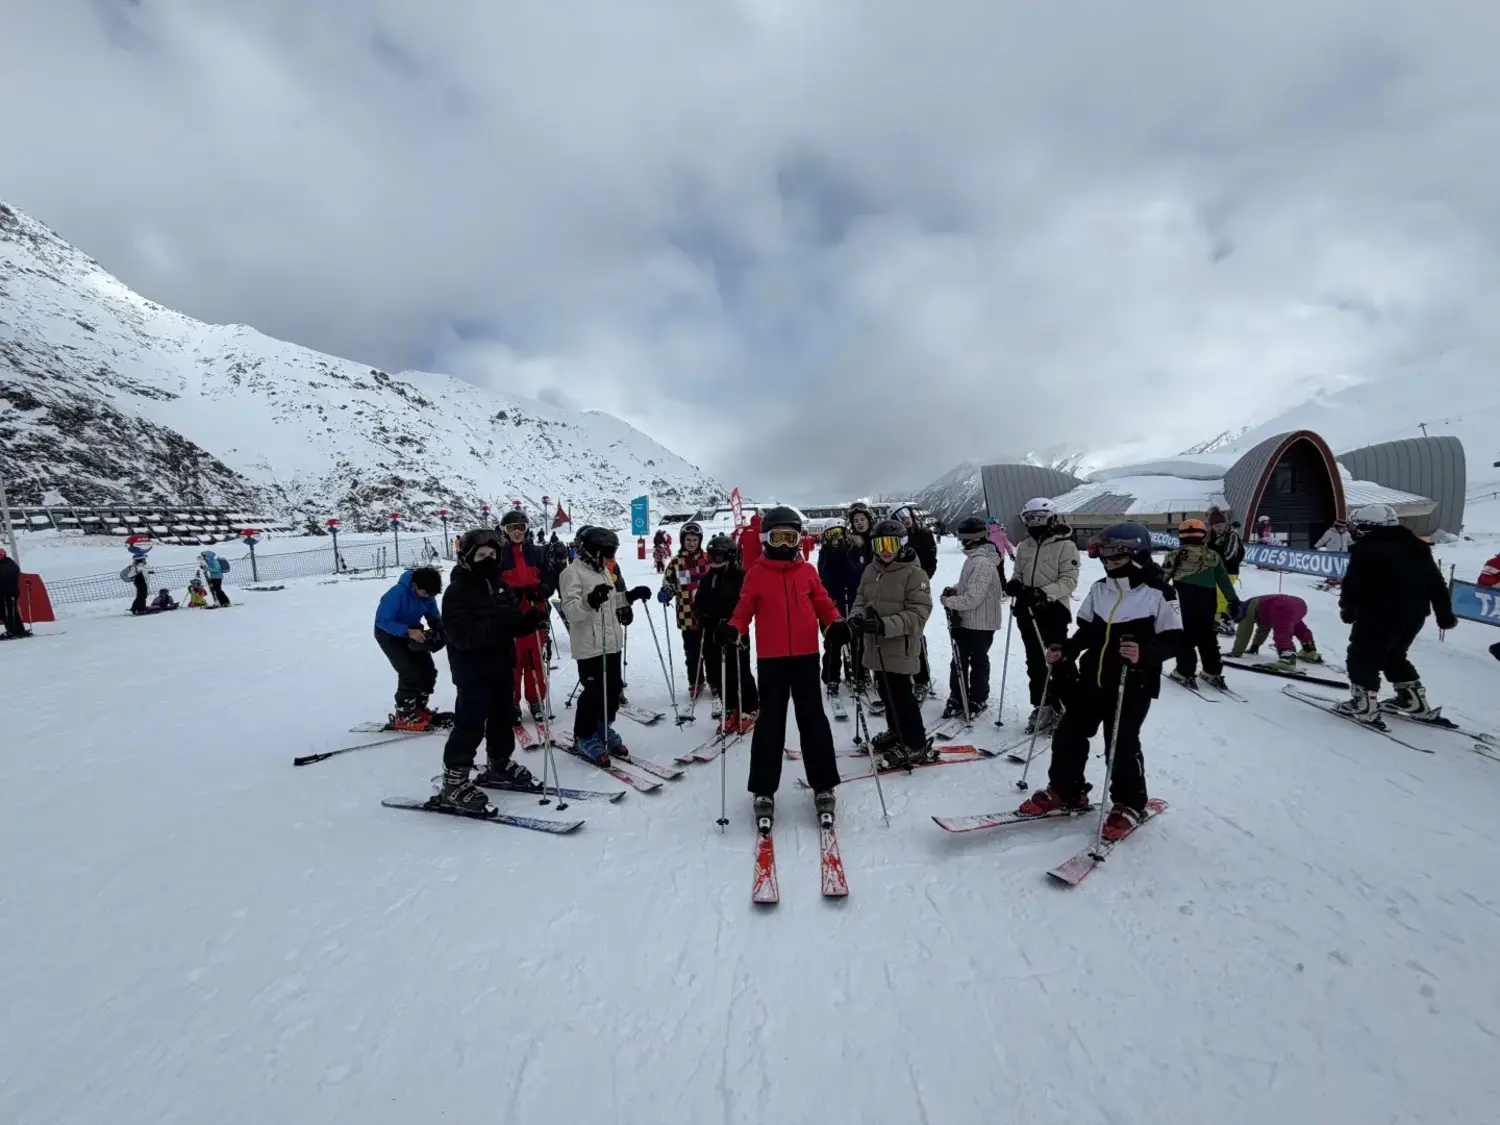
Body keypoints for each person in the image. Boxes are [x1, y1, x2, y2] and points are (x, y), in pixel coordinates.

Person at [1018, 522, 1182, 841]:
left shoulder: (1159, 592)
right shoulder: (1099, 589)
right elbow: (1088, 632)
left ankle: (1129, 804)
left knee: (1120, 744)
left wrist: (1143, 653)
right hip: (1092, 678)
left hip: (1132, 683)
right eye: (1105, 557)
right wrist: (1066, 649)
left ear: (1138, 554)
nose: (1109, 563)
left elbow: (1175, 640)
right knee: (1069, 734)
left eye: (1117, 557)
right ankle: (1066, 790)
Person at [721, 506, 847, 828]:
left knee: (813, 721)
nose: (784, 544)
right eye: (778, 537)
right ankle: (763, 789)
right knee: (770, 725)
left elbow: (823, 602)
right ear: (766, 539)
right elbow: (743, 609)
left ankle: (823, 784)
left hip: (806, 658)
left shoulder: (807, 572)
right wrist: (734, 629)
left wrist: (835, 623)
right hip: (772, 661)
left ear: (798, 540)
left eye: (790, 538)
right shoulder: (756, 574)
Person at [433, 530, 551, 814]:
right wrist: (498, 623)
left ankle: (499, 763)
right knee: (470, 724)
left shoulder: (500, 586)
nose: (487, 560)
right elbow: (461, 636)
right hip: (472, 670)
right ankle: (454, 781)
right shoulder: (457, 592)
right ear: (467, 558)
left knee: (502, 718)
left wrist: (528, 622)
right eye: (481, 555)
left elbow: (512, 622)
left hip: (501, 664)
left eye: (492, 555)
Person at [1335, 503, 1457, 722]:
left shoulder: (1368, 549)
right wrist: (1444, 613)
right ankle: (1412, 700)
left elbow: (1354, 584)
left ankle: (1363, 704)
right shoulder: (1417, 547)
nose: (1355, 531)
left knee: (1362, 656)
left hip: (1378, 613)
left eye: (1357, 526)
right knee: (1393, 655)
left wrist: (1348, 608)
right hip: (1414, 614)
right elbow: (1436, 582)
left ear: (1368, 526)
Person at [559, 526, 652, 762]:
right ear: (592, 551)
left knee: (612, 691)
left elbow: (609, 602)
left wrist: (629, 596)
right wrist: (590, 601)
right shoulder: (571, 573)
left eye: (613, 553)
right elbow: (570, 611)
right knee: (593, 694)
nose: (611, 558)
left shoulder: (602, 572)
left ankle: (601, 728)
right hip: (590, 646)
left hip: (611, 643)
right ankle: (583, 736)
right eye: (607, 553)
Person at [851, 518, 935, 769]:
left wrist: (885, 625)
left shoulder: (914, 573)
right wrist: (857, 617)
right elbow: (860, 598)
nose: (886, 550)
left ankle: (915, 744)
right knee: (885, 692)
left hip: (900, 646)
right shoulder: (871, 570)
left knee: (901, 696)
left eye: (892, 544)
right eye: (880, 544)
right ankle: (896, 732)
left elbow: (919, 612)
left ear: (903, 544)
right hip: (876, 646)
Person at [1005, 497, 1081, 734]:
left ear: (1051, 518)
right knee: (1035, 661)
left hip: (1054, 610)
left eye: (1039, 517)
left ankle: (1066, 707)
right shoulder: (1024, 546)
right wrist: (1015, 583)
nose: (1034, 522)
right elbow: (1019, 573)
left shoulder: (1065, 545)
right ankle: (1043, 705)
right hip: (1028, 610)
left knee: (1058, 659)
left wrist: (1044, 593)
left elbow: (1069, 581)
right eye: (1029, 518)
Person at [1162, 518, 1240, 691]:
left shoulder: (1175, 555)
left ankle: (1185, 672)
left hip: (1184, 600)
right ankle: (1213, 671)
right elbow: (1223, 580)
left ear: (1180, 536)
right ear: (1203, 536)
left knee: (1185, 636)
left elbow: (1162, 579)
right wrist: (1233, 600)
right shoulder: (1213, 555)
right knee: (1208, 635)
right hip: (1208, 601)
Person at [938, 516, 1003, 718]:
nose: (962, 542)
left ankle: (977, 697)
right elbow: (969, 587)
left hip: (981, 622)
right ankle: (958, 696)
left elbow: (973, 598)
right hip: (968, 620)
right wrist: (955, 590)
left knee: (977, 660)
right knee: (959, 660)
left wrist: (948, 601)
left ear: (973, 539)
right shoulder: (975, 559)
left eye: (964, 539)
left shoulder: (982, 562)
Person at [693, 534, 759, 732]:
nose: (713, 561)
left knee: (740, 670)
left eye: (718, 557)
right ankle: (730, 707)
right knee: (717, 672)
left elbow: (746, 604)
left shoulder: (741, 577)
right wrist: (702, 615)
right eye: (710, 557)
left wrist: (731, 622)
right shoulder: (708, 578)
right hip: (713, 633)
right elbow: (699, 603)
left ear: (730, 557)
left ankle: (749, 707)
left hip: (735, 632)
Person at [497, 509, 557, 722]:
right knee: (513, 661)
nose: (517, 532)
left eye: (521, 527)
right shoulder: (499, 556)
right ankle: (512, 702)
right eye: (512, 528)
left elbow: (550, 577)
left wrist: (543, 590)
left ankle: (535, 698)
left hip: (535, 611)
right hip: (511, 616)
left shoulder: (537, 553)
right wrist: (507, 594)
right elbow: (493, 584)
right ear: (505, 530)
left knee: (534, 659)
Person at [375, 566, 445, 729]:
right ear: (414, 585)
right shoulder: (396, 594)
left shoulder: (428, 595)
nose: (428, 597)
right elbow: (383, 621)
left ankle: (418, 708)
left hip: (413, 632)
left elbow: (434, 617)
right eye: (425, 593)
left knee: (428, 670)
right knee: (409, 673)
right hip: (389, 634)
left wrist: (441, 631)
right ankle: (404, 714)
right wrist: (407, 631)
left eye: (431, 594)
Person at [658, 520, 711, 698]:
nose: (692, 543)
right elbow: (669, 584)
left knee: (710, 650)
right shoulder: (675, 563)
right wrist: (667, 592)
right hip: (687, 614)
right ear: (682, 540)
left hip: (708, 614)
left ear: (700, 540)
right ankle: (695, 681)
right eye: (688, 540)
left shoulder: (708, 559)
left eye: (695, 540)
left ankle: (714, 681)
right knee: (692, 651)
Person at [891, 504, 939, 696]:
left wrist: (919, 582)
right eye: (900, 516)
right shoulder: (893, 539)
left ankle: (921, 678)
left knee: (915, 634)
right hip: (896, 591)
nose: (905, 518)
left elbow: (931, 563)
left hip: (917, 590)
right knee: (899, 633)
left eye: (906, 513)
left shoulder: (923, 534)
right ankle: (904, 674)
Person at [1229, 594, 1320, 668]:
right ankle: (1309, 650)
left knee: (1282, 632)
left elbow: (1244, 631)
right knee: (1298, 626)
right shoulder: (1261, 609)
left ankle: (1287, 659)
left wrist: (1236, 653)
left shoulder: (1246, 608)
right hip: (1300, 604)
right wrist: (1255, 646)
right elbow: (1263, 628)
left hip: (1281, 605)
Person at [0, 546, 28, 638]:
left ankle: (14, 631)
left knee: (9, 612)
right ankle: (16, 630)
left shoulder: (8, 564)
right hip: (4, 593)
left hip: (9, 593)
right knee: (6, 612)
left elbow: (5, 577)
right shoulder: (6, 564)